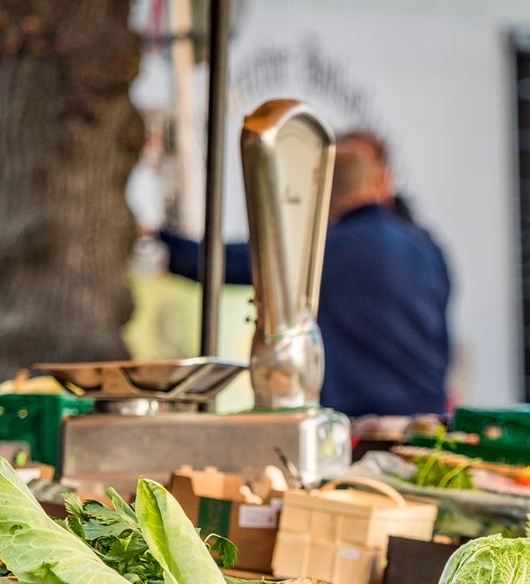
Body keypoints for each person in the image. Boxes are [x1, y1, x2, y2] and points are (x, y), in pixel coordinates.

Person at [160, 130, 451, 417]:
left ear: (320, 189)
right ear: (383, 181)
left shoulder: (328, 248)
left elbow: (227, 263)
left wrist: (158, 242)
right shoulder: (429, 249)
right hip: (429, 424)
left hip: (366, 429)